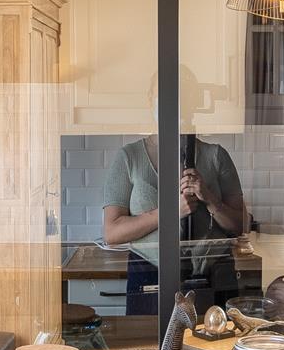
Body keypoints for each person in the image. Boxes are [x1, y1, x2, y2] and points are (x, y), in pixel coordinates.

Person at [101, 134, 250, 314]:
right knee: (149, 333)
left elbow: (241, 225)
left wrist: (209, 198)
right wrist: (170, 211)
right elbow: (112, 232)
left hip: (214, 274)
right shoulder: (129, 156)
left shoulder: (216, 156)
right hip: (149, 274)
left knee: (215, 332)